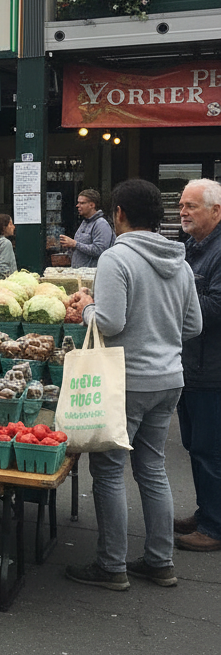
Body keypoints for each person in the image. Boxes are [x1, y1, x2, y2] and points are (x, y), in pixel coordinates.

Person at [65, 179, 201, 591]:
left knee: (107, 473)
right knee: (153, 468)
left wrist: (87, 306)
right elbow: (193, 325)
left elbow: (110, 323)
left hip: (125, 379)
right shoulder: (180, 259)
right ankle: (160, 562)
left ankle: (112, 566)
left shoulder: (116, 258)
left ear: (119, 212)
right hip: (169, 379)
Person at [174, 178, 221, 553]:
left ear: (216, 211)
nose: (183, 212)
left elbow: (216, 309)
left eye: (191, 206)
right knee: (195, 445)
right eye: (182, 205)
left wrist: (171, 302)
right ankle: (208, 511)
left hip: (212, 370)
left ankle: (214, 526)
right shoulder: (191, 248)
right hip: (190, 365)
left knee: (210, 448)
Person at [59, 188, 115, 268]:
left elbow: (100, 250)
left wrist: (75, 244)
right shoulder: (85, 222)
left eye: (82, 203)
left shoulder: (101, 223)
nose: (77, 206)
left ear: (92, 205)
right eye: (78, 203)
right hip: (80, 274)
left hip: (92, 275)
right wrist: (68, 246)